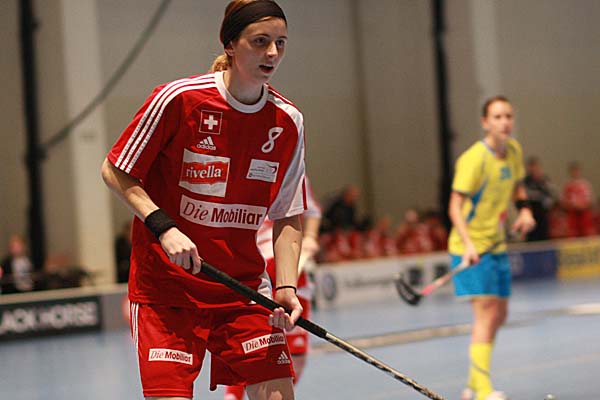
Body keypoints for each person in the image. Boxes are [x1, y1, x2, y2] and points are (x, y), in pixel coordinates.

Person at [101, 1, 306, 399]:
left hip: (242, 291)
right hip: (167, 293)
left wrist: (286, 287)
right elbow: (115, 169)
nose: (272, 53)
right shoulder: (179, 99)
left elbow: (288, 215)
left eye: (280, 43)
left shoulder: (288, 121)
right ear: (230, 44)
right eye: (260, 41)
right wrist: (163, 227)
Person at [447, 96, 535, 400]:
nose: (504, 122)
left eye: (508, 116)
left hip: (496, 245)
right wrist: (469, 245)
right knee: (486, 315)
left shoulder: (514, 151)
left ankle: (473, 385)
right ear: (485, 122)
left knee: (500, 314)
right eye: (497, 117)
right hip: (470, 248)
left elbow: (518, 187)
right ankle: (483, 391)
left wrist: (524, 210)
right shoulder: (474, 159)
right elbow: (454, 207)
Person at [224, 178, 321, 400]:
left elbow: (313, 212)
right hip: (254, 269)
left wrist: (310, 238)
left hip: (292, 271)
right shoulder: (237, 174)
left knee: (297, 354)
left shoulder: (294, 173)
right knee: (251, 346)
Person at [523, 156, 556, 241]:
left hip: (543, 214)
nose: (534, 169)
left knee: (543, 236)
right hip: (531, 214)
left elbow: (552, 194)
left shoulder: (544, 180)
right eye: (531, 167)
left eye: (535, 167)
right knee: (531, 237)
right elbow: (524, 195)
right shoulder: (526, 181)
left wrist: (547, 204)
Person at [560, 161, 596, 237]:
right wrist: (572, 206)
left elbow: (590, 200)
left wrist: (583, 206)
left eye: (576, 171)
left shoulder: (585, 185)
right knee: (573, 233)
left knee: (587, 232)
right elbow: (564, 202)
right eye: (573, 171)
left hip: (584, 213)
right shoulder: (568, 186)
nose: (575, 173)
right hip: (572, 213)